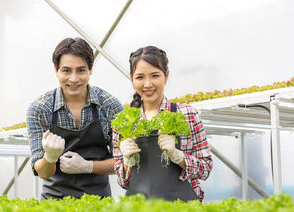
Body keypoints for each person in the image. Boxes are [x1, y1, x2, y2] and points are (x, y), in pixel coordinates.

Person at [27, 37, 123, 200]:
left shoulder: (109, 106)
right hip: (54, 204)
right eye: (66, 71)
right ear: (56, 70)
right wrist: (49, 157)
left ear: (90, 69)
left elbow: (122, 162)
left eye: (81, 70)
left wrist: (88, 166)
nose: (73, 79)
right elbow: (41, 172)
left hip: (99, 205)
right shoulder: (40, 109)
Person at [112, 46, 213, 202]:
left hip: (183, 209)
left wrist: (178, 156)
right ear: (132, 78)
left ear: (166, 76)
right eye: (140, 77)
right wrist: (126, 162)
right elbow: (123, 182)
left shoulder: (188, 114)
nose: (147, 84)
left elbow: (205, 169)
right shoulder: (124, 121)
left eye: (154, 75)